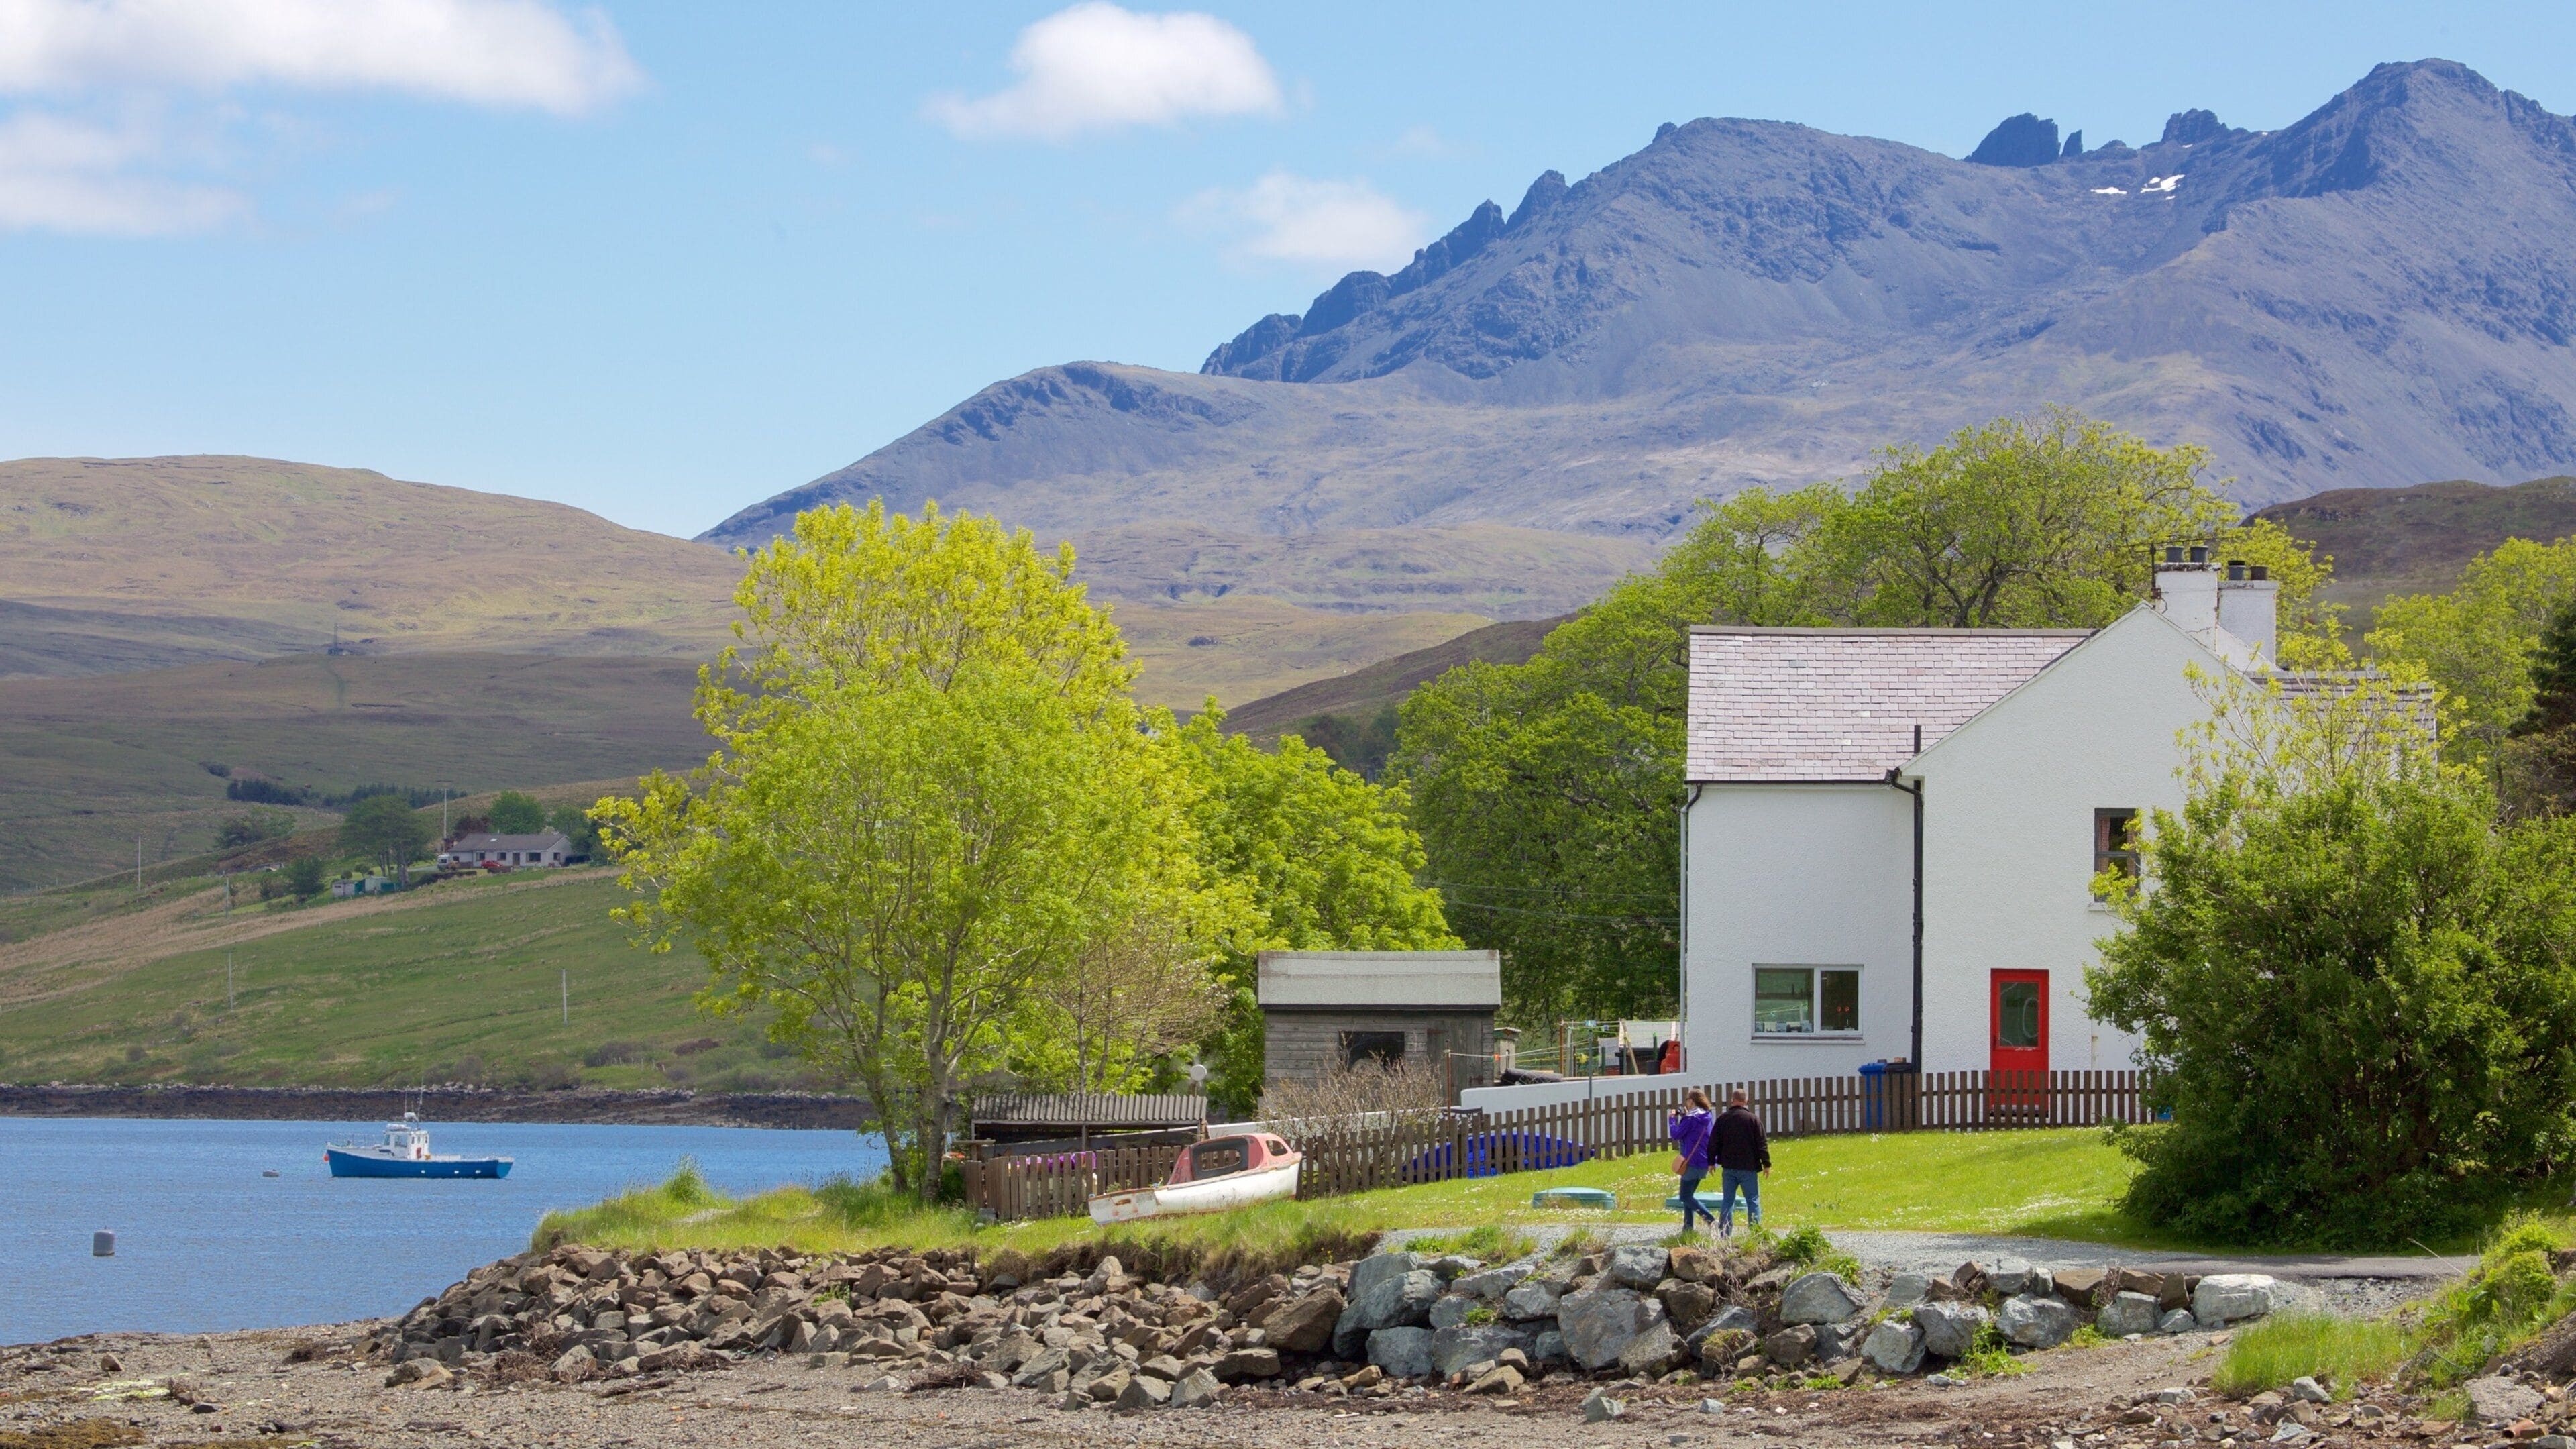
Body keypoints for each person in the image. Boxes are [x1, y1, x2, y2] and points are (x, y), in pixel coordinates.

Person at [1710, 1087, 1770, 1237]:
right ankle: (1755, 1234)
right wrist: (1766, 1163)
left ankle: (1725, 1235)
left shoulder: (1723, 1119)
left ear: (1732, 1100)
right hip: (1748, 1168)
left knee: (1728, 1201)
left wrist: (1711, 1162)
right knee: (1753, 1201)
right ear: (1746, 1101)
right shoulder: (1753, 1119)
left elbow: (1713, 1143)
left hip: (1729, 1167)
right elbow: (1761, 1143)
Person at [1667, 1089, 1716, 1235]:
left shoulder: (1690, 1119)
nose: (1686, 1103)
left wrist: (1672, 1119)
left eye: (1687, 1100)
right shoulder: (1708, 1115)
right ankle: (1688, 1228)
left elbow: (1676, 1135)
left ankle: (1711, 1220)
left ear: (1692, 1101)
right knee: (1690, 1196)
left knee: (1685, 1196)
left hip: (1691, 1162)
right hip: (1704, 1162)